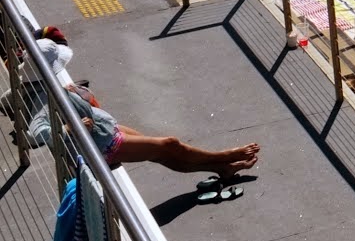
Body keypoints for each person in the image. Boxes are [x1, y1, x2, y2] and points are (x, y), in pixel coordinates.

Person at [31, 81, 260, 180]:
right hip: (102, 146)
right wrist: (68, 128)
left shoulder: (52, 85)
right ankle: (226, 156)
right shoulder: (43, 98)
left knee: (162, 154)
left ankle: (221, 168)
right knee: (170, 145)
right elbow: (36, 132)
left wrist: (73, 92)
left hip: (106, 129)